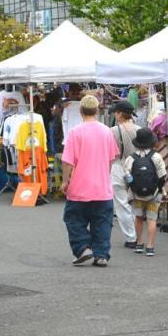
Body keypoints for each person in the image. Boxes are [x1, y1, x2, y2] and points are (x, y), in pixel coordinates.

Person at [60, 95, 119, 266]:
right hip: (102, 187)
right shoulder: (106, 131)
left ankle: (83, 248)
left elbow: (67, 161)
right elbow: (111, 158)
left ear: (80, 111)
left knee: (74, 220)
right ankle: (101, 254)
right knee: (102, 222)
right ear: (98, 110)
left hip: (79, 186)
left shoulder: (75, 132)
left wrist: (65, 181)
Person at [124, 128, 167, 257]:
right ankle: (150, 246)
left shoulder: (130, 159)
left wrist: (133, 187)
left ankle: (139, 243)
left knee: (138, 218)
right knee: (151, 219)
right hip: (154, 195)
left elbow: (127, 177)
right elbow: (162, 176)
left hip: (137, 195)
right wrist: (157, 189)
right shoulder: (156, 157)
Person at [109, 100, 140, 248]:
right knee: (135, 202)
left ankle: (131, 237)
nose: (114, 114)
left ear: (120, 113)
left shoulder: (113, 131)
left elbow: (109, 154)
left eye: (115, 112)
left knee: (122, 204)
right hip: (137, 168)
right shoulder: (140, 130)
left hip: (118, 167)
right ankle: (137, 234)